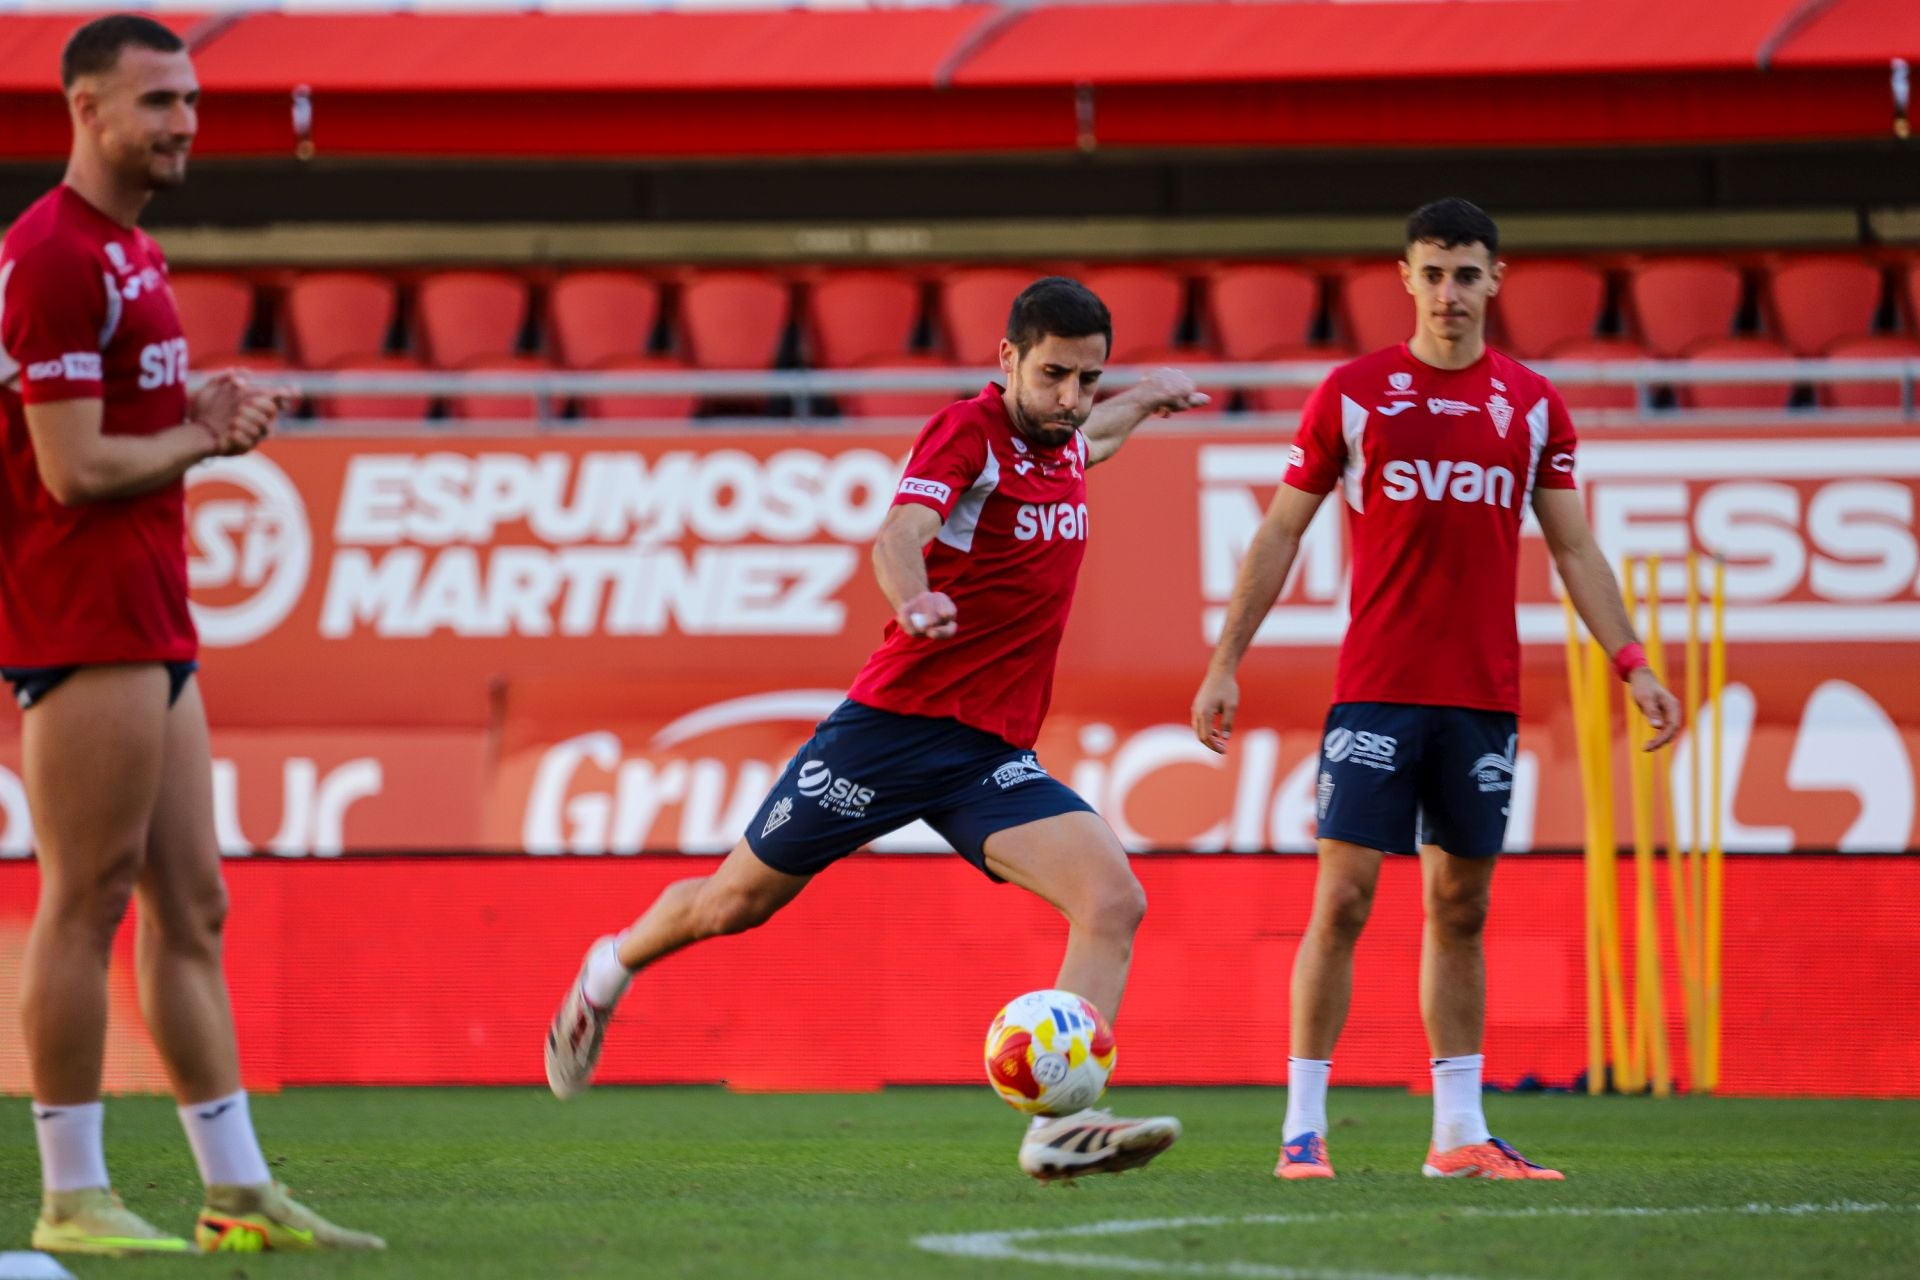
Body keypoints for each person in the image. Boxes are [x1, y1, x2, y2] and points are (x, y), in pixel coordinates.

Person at [546, 277, 1204, 1180]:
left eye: (1087, 379)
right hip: (889, 732)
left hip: (986, 755)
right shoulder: (969, 431)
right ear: (1008, 359)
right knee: (734, 904)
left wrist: (1144, 398)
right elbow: (898, 533)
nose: (1070, 398)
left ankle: (1057, 1124)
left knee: (1112, 901)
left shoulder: (1062, 443)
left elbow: (1097, 439)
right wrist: (915, 598)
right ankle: (606, 971)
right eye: (1053, 375)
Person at [1190, 198, 1681, 1181]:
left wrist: (1633, 661)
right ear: (1405, 279)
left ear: (1495, 279)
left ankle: (1458, 1132)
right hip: (1377, 690)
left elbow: (1575, 548)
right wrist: (1224, 660)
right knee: (1343, 899)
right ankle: (1302, 1129)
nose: (1449, 292)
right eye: (1433, 273)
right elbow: (1281, 529)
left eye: (1465, 274)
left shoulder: (1532, 405)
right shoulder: (1353, 393)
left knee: (1462, 909)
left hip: (1480, 698)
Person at [1, 14, 383, 1254]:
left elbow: (125, 429)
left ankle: (236, 1186)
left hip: (150, 608)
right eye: (160, 101)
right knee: (86, 899)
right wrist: (203, 436)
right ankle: (72, 1192)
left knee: (193, 902)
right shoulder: (52, 255)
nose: (185, 125)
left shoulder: (129, 250)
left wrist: (196, 407)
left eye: (192, 102)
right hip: (82, 610)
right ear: (85, 108)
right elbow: (73, 469)